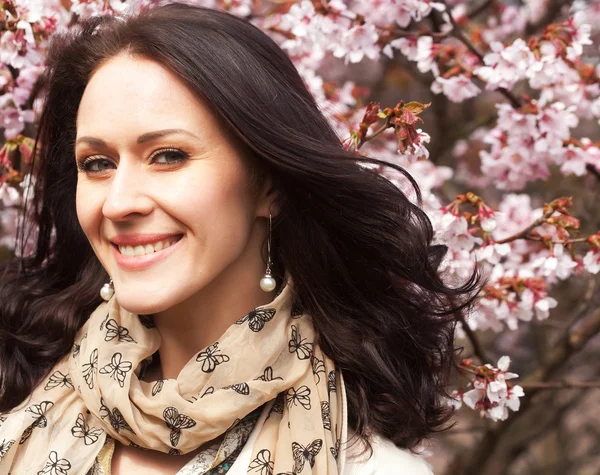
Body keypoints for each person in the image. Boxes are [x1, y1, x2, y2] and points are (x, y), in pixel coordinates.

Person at [0, 3, 483, 474]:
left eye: (168, 156)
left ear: (268, 184)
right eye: (97, 164)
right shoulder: (17, 411)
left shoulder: (369, 469)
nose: (118, 203)